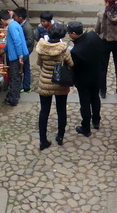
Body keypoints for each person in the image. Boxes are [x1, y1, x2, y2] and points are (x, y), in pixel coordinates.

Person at [34, 21, 73, 150]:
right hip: (60, 83)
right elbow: (70, 64)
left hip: (45, 83)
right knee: (61, 110)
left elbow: (39, 63)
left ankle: (43, 139)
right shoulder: (64, 49)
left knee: (44, 111)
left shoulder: (41, 48)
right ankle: (60, 137)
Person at [67, 20, 102, 136]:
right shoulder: (93, 36)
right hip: (96, 75)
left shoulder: (76, 51)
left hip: (83, 81)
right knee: (95, 98)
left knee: (85, 104)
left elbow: (74, 67)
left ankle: (86, 128)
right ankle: (96, 120)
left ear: (73, 33)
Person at [0, 9, 26, 107]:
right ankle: (14, 96)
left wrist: (20, 56)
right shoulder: (14, 24)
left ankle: (13, 99)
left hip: (15, 56)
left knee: (14, 77)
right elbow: (11, 41)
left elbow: (17, 42)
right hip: (15, 55)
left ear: (2, 20)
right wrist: (4, 49)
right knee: (15, 77)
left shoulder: (11, 27)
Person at [14, 7, 35, 92]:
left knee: (21, 68)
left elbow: (30, 41)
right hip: (25, 50)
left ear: (20, 18)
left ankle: (23, 86)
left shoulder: (27, 28)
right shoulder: (21, 25)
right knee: (26, 68)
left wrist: (19, 44)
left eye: (15, 16)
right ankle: (26, 86)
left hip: (25, 50)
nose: (14, 18)